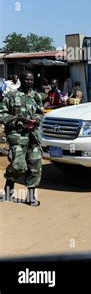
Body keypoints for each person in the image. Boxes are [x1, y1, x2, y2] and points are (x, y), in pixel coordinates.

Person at [0, 70, 44, 206]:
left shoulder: (36, 96)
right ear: (21, 80)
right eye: (26, 79)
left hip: (33, 136)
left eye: (31, 80)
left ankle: (30, 197)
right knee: (18, 165)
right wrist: (17, 118)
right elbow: (2, 113)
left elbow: (40, 112)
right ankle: (8, 192)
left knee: (35, 166)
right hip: (17, 135)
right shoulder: (11, 95)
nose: (29, 82)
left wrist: (36, 120)